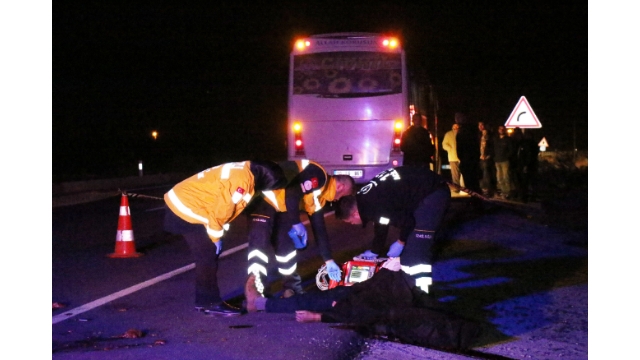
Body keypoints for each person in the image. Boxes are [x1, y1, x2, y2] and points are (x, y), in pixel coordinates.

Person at [163, 160, 287, 316]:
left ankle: (203, 301)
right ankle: (210, 303)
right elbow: (221, 213)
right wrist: (215, 239)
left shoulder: (246, 170)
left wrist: (219, 232)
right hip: (186, 208)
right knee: (207, 256)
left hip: (186, 202)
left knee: (206, 257)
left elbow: (224, 207)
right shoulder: (242, 182)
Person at [245, 159, 356, 298]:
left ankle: (291, 288)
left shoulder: (319, 198)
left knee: (286, 249)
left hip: (282, 208)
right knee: (259, 247)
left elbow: (319, 229)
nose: (338, 200)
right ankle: (256, 291)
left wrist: (328, 260)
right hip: (262, 200)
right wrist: (296, 223)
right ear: (340, 186)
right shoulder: (319, 175)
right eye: (342, 196)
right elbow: (292, 193)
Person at [334, 166, 451, 294]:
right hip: (424, 190)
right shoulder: (364, 199)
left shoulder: (373, 206)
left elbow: (407, 222)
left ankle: (422, 293)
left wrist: (401, 242)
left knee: (414, 255)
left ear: (356, 213)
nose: (352, 224)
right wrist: (375, 250)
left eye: (350, 221)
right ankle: (413, 290)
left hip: (433, 194)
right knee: (410, 248)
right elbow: (381, 223)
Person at [454, 113, 482, 207]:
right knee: (474, 182)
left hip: (467, 161)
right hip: (473, 160)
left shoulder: (462, 132)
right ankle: (477, 201)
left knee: (470, 183)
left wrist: (462, 158)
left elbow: (460, 148)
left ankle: (476, 202)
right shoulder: (473, 131)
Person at [493, 125, 514, 199]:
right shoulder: (496, 139)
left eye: (503, 129)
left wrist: (506, 156)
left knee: (506, 177)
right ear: (498, 130)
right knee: (499, 178)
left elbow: (511, 150)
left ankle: (508, 192)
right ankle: (503, 191)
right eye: (500, 129)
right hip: (497, 161)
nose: (501, 130)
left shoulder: (508, 139)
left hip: (505, 161)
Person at [478, 122, 495, 197]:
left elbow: (492, 146)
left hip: (487, 157)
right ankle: (482, 188)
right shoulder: (478, 135)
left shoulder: (490, 136)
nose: (481, 127)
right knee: (481, 173)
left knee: (486, 173)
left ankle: (487, 189)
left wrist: (489, 155)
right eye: (479, 125)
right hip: (480, 157)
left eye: (482, 125)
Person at [442, 123, 461, 190]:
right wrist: (450, 149)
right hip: (453, 157)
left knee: (462, 173)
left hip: (462, 157)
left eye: (457, 127)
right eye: (454, 127)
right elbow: (444, 144)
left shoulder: (461, 134)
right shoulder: (448, 134)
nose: (456, 129)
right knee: (455, 173)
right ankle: (456, 187)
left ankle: (463, 187)